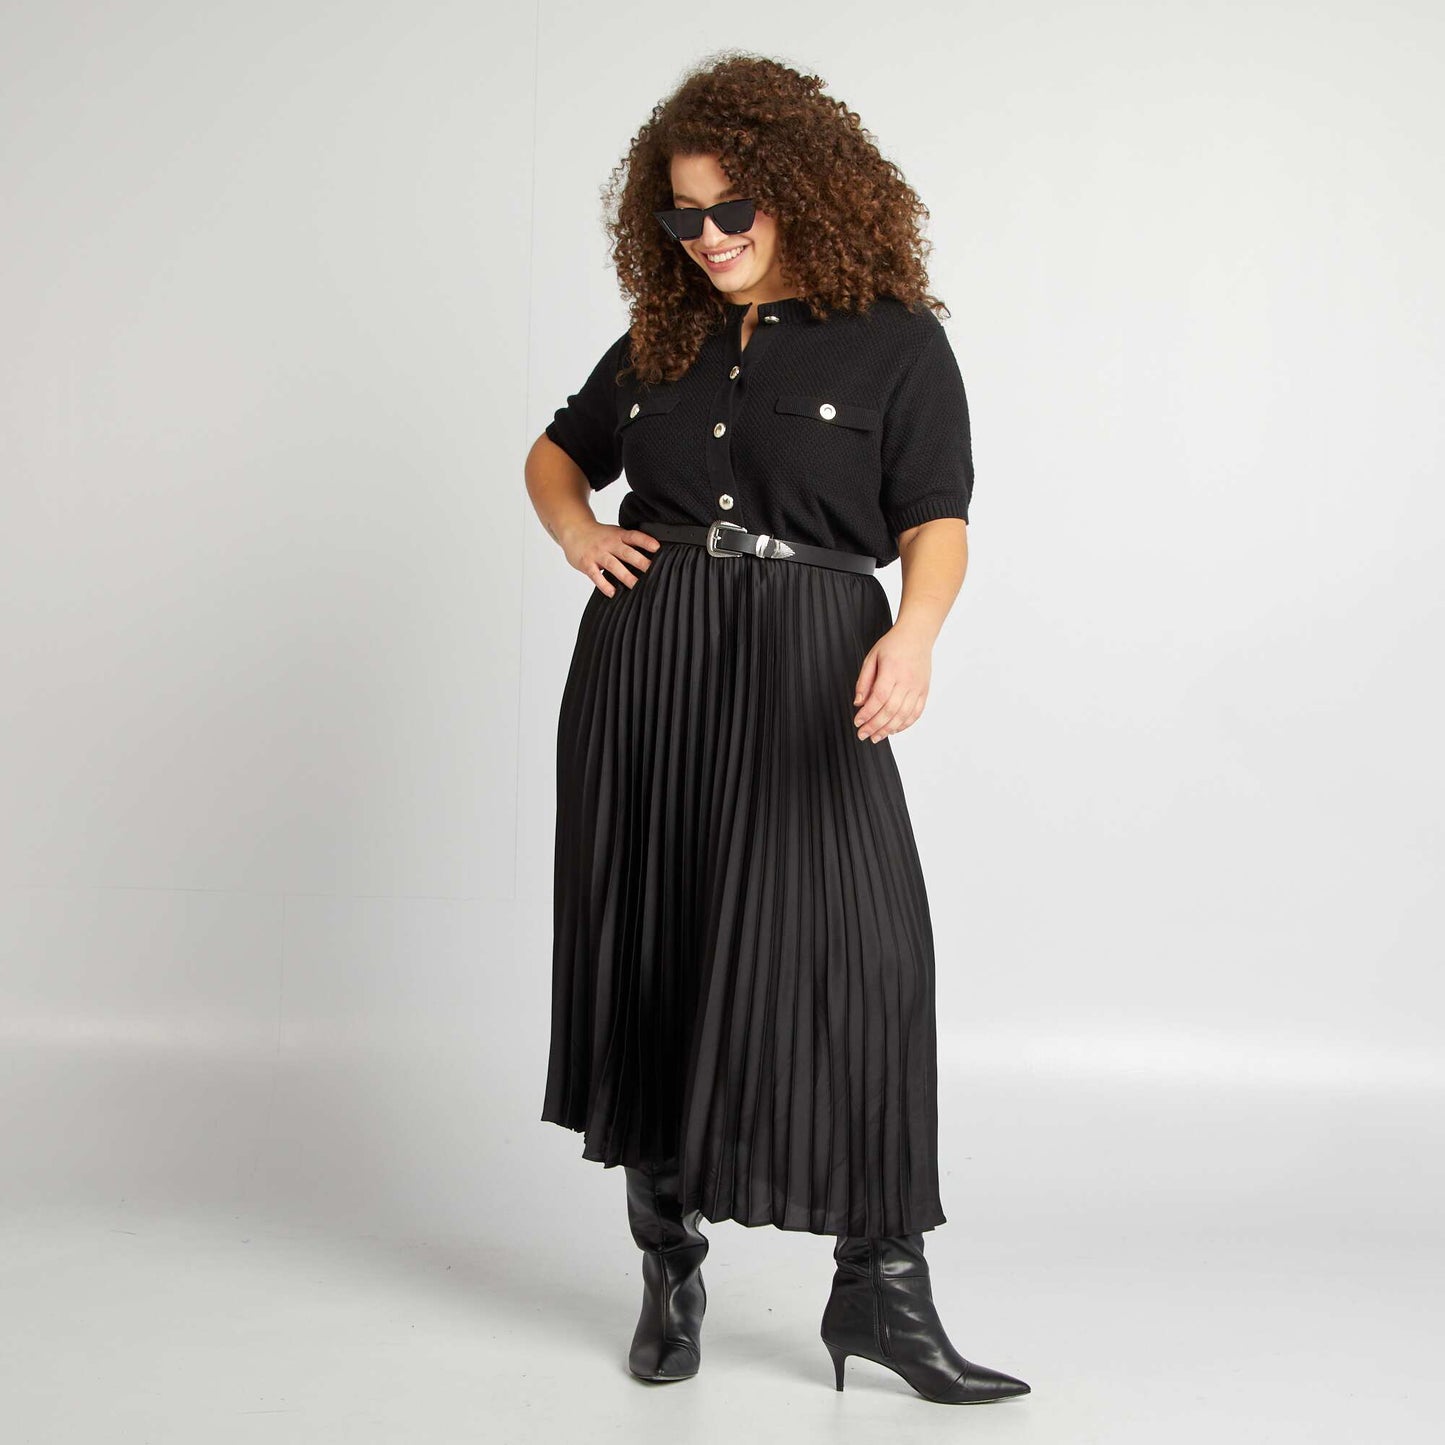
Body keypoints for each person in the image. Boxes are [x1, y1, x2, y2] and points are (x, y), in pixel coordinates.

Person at [524, 52, 1031, 1406]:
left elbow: (935, 520)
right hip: (649, 665)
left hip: (811, 664)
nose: (708, 238)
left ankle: (881, 1290)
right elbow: (558, 452)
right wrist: (578, 531)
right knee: (658, 941)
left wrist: (913, 633)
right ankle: (667, 1266)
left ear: (803, 190)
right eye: (682, 216)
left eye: (731, 209)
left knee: (868, 959)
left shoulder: (896, 340)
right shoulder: (661, 342)